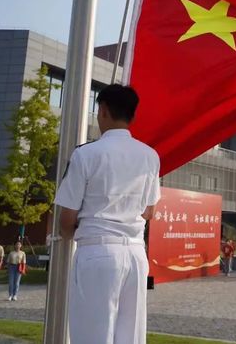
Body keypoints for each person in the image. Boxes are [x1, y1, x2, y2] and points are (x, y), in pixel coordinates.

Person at [54, 84, 161, 344]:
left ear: (102, 110)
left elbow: (66, 220)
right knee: (130, 336)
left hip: (97, 251)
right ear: (132, 115)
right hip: (135, 254)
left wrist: (70, 233)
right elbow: (149, 211)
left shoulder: (86, 154)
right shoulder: (150, 156)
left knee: (92, 335)